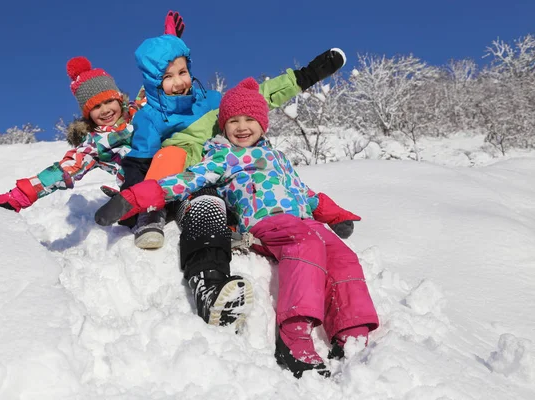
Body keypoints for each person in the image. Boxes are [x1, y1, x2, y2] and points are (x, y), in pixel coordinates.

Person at [96, 77, 380, 378]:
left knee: (342, 256)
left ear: (263, 124)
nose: (241, 127)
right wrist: (133, 198)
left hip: (303, 220)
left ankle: (351, 329)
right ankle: (294, 333)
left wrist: (335, 215)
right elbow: (183, 181)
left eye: (249, 119)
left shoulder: (278, 158)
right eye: (233, 120)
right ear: (223, 125)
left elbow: (305, 193)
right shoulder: (221, 156)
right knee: (307, 242)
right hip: (265, 223)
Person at [96, 33, 348, 250]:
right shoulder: (150, 117)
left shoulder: (212, 100)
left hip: (227, 171)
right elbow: (140, 160)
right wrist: (128, 200)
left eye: (182, 72)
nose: (179, 82)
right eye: (168, 76)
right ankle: (151, 215)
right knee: (168, 154)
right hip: (184, 178)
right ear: (153, 82)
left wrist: (308, 75)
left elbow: (257, 97)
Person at [0, 12, 184, 218]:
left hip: (171, 169)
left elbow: (156, 82)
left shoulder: (138, 111)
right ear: (88, 114)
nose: (104, 110)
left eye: (108, 101)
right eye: (95, 107)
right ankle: (132, 207)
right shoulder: (94, 143)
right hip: (138, 187)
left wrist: (170, 46)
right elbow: (63, 170)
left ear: (119, 99)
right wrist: (19, 196)